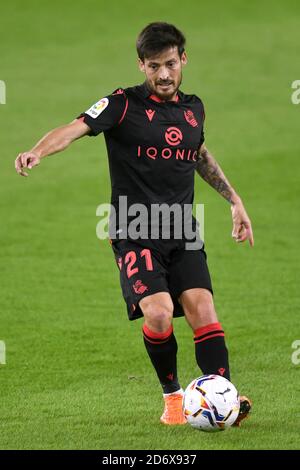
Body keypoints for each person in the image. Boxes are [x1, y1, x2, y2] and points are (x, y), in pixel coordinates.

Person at [15, 22, 253, 426]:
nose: (164, 74)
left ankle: (222, 398)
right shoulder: (121, 105)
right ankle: (174, 400)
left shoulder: (193, 108)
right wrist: (38, 151)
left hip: (182, 230)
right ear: (141, 64)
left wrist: (235, 199)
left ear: (183, 60)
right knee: (158, 315)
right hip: (134, 232)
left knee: (204, 310)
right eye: (155, 65)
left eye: (171, 64)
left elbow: (197, 154)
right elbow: (74, 129)